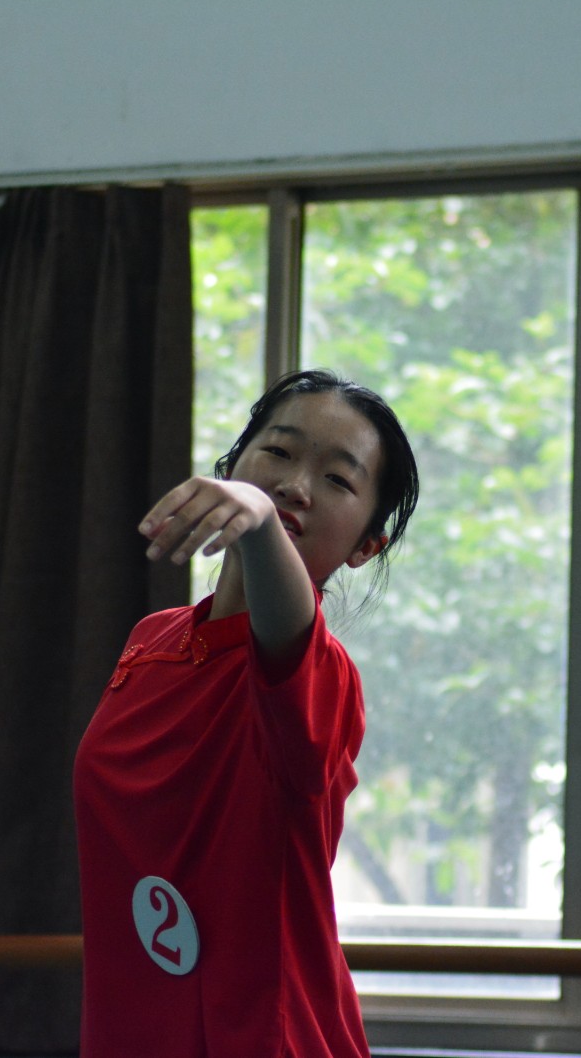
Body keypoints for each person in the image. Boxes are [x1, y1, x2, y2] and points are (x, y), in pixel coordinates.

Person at [73, 369, 419, 1057]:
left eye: (338, 479)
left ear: (365, 547)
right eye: (278, 452)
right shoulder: (151, 640)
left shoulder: (320, 674)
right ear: (230, 468)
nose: (296, 486)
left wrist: (260, 519)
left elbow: (283, 630)